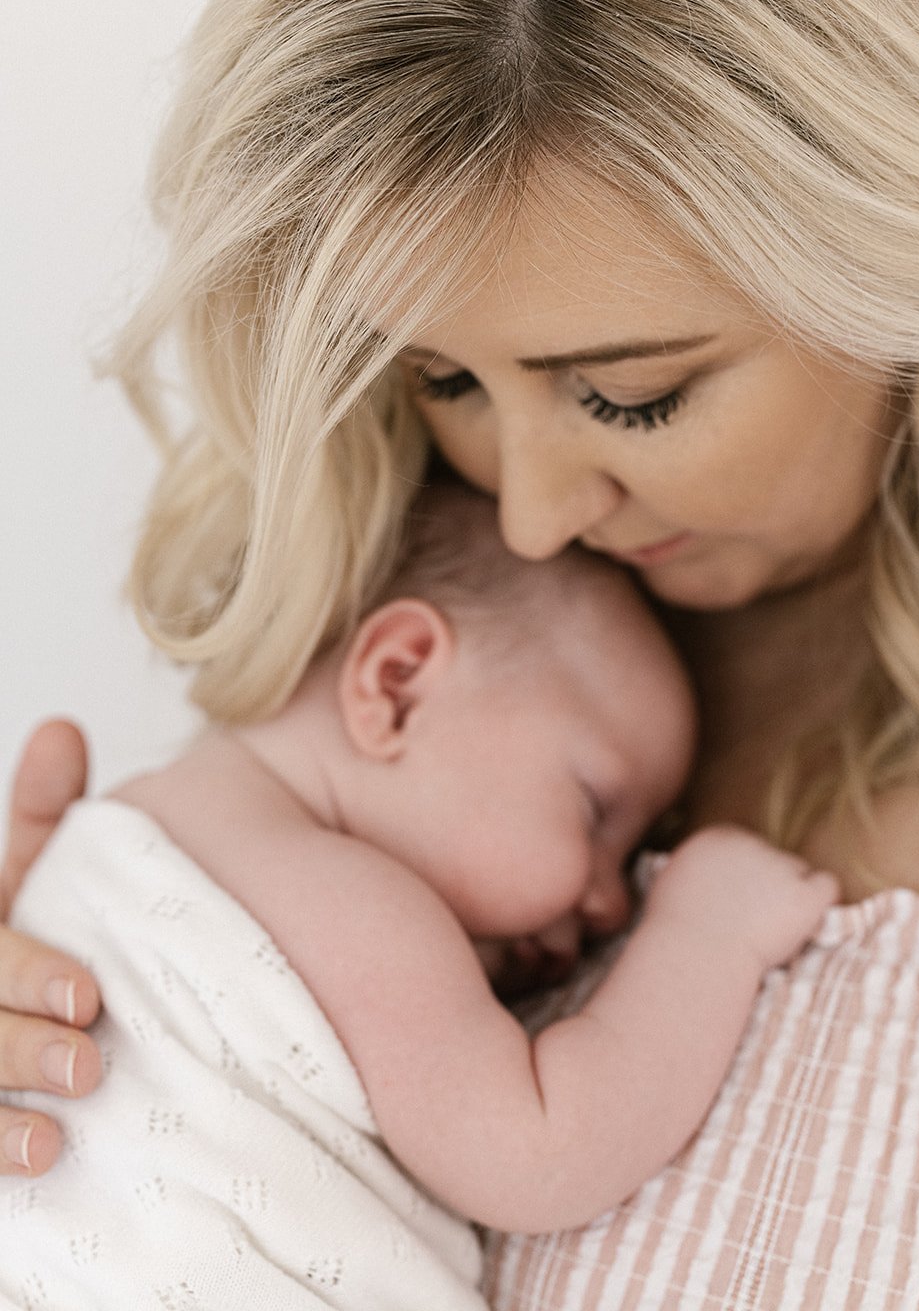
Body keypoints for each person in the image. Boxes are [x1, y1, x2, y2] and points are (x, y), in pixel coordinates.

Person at [3, 0, 919, 1303]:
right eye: (440, 382)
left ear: (909, 250)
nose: (530, 514)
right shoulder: (380, 726)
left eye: (629, 394)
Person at [0, 481, 835, 1304]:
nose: (613, 906)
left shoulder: (119, 822)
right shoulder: (345, 900)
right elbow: (536, 1156)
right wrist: (706, 934)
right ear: (396, 686)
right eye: (594, 812)